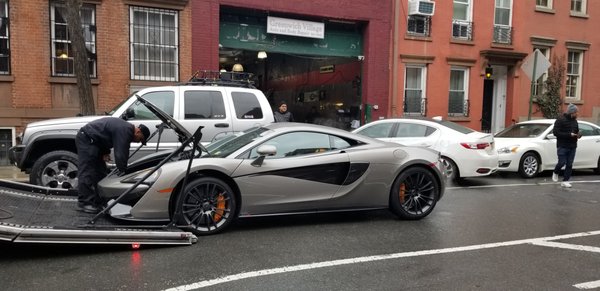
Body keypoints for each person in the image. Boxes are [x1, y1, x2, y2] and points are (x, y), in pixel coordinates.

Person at [76, 117, 150, 213]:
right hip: (87, 140)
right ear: (138, 132)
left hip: (95, 142)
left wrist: (105, 152)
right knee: (88, 171)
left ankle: (98, 201)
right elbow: (121, 152)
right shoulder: (126, 130)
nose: (137, 142)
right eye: (140, 139)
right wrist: (123, 170)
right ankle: (84, 203)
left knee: (100, 172)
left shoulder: (124, 128)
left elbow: (106, 135)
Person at [551, 103, 581, 188]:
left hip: (573, 146)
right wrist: (569, 135)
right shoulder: (560, 120)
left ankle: (565, 181)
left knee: (569, 164)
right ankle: (555, 172)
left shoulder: (575, 121)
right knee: (561, 162)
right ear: (572, 112)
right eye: (576, 112)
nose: (577, 114)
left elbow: (576, 131)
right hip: (562, 145)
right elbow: (555, 132)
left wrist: (578, 134)